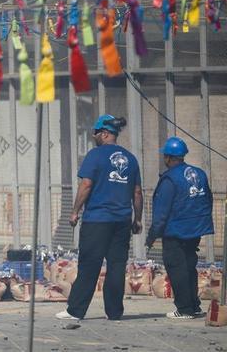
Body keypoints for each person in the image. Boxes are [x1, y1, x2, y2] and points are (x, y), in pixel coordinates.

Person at [56, 115, 143, 321]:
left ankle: (75, 311)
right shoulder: (131, 159)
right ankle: (114, 312)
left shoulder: (95, 155)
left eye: (95, 133)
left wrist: (75, 211)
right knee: (116, 266)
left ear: (104, 133)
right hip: (121, 221)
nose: (94, 137)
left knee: (89, 265)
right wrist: (137, 219)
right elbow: (137, 192)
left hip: (97, 220)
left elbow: (86, 184)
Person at [145, 137, 214, 319]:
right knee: (189, 267)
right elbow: (208, 199)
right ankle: (194, 306)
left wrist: (152, 236)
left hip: (176, 231)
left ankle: (184, 309)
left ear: (168, 157)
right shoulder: (199, 173)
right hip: (195, 229)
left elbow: (161, 212)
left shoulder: (169, 179)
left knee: (177, 269)